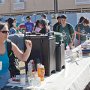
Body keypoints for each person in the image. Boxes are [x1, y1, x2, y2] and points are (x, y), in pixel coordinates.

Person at [0, 22, 32, 89]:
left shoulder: (9, 44)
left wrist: (28, 49)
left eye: (8, 31)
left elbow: (23, 58)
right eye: (4, 32)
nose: (7, 33)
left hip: (6, 80)